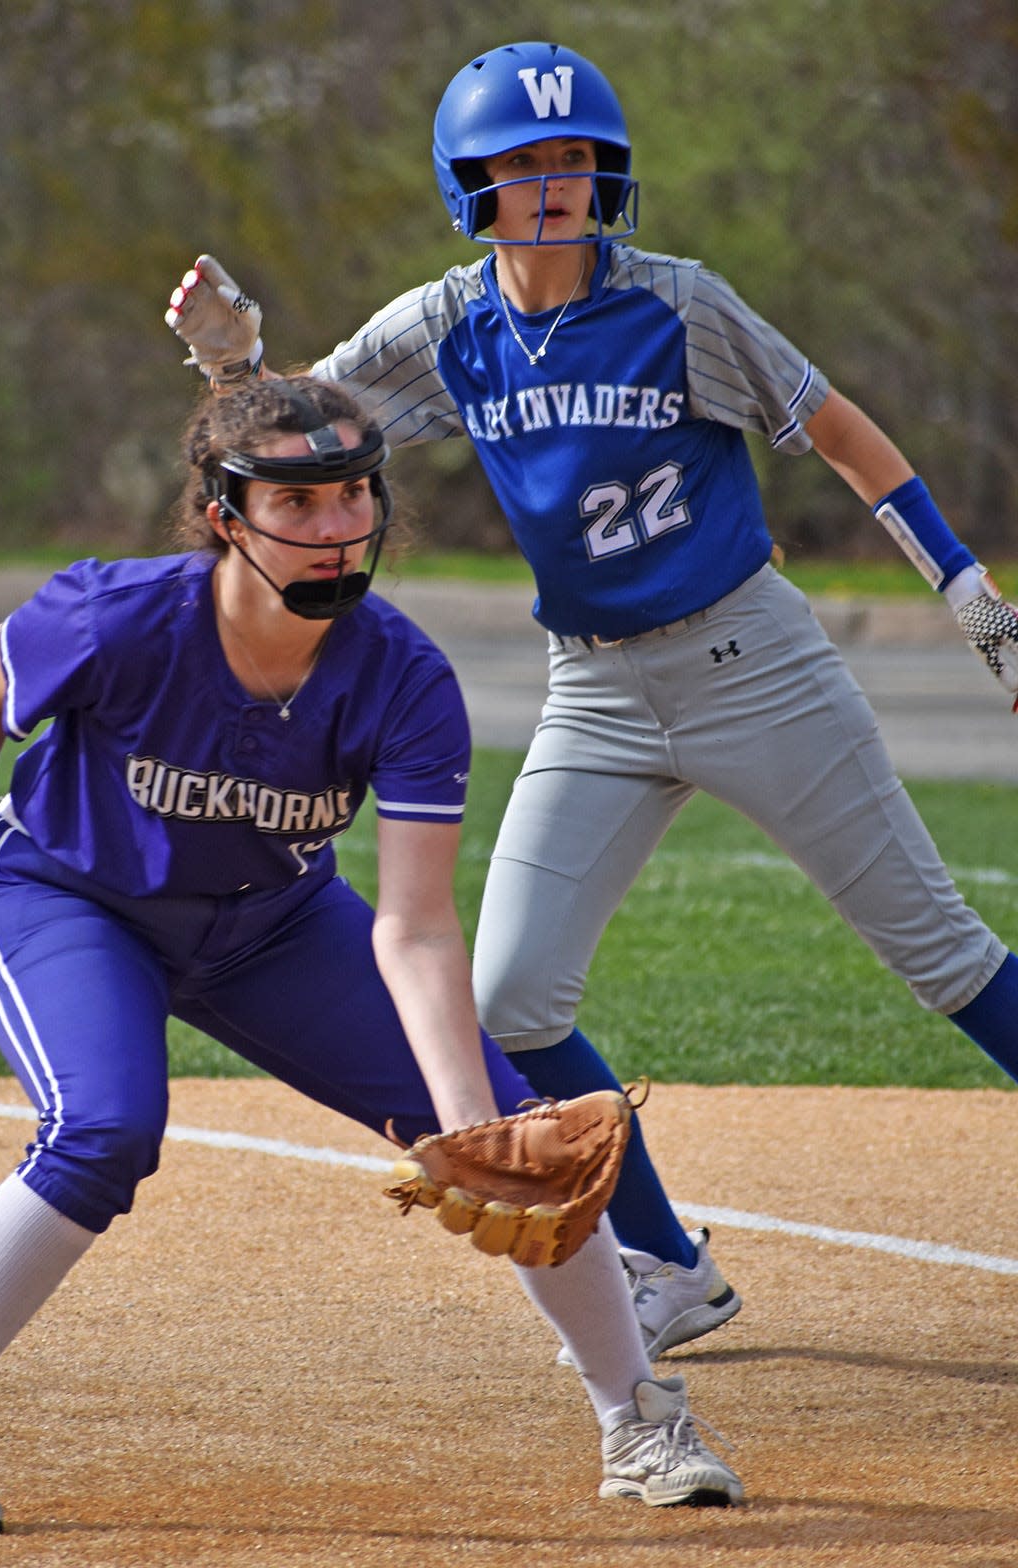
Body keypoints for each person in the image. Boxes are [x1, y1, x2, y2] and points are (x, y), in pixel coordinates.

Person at [165, 39, 1018, 1367]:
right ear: (471, 183)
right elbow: (289, 442)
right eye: (522, 162)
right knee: (508, 1001)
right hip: (595, 690)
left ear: (608, 172)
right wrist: (238, 359)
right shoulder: (450, 326)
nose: (552, 184)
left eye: (572, 158)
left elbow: (835, 428)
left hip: (756, 664)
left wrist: (966, 588)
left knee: (946, 959)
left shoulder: (678, 305)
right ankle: (673, 1267)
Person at [0, 376, 744, 1536]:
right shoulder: (117, 615)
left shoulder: (404, 679)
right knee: (105, 1130)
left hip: (271, 920)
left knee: (523, 1137)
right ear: (225, 513)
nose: (337, 524)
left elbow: (412, 922)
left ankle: (641, 1421)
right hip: (69, 895)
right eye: (298, 502)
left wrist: (463, 1120)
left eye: (355, 494)